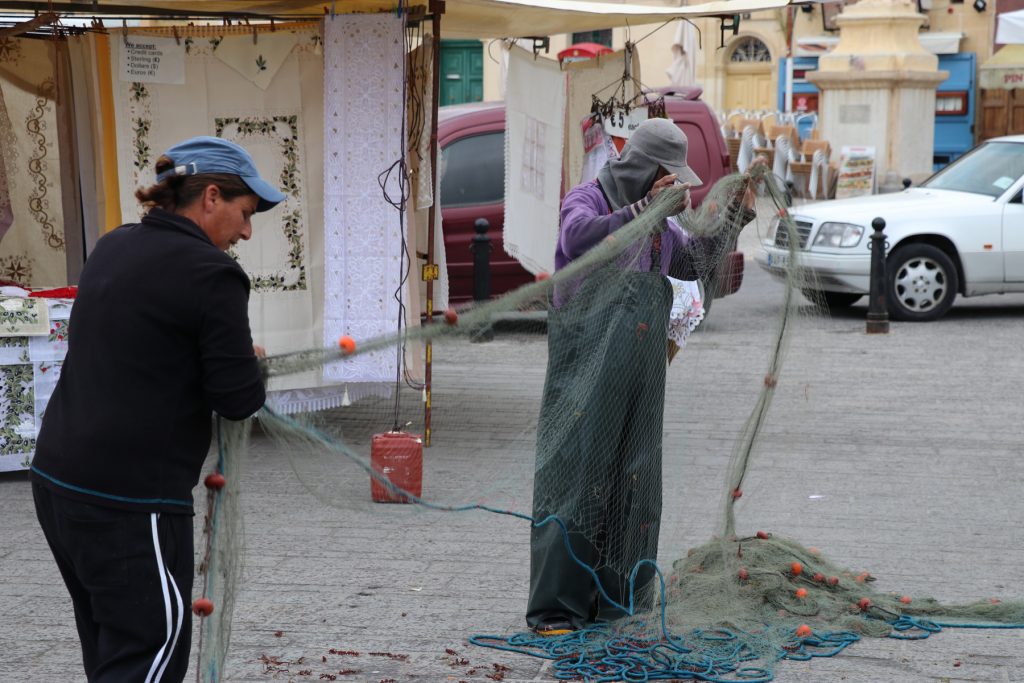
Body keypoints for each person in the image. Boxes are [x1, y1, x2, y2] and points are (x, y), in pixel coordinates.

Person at [30, 136, 284, 682]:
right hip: (128, 501)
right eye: (245, 214)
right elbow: (238, 399)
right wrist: (246, 362)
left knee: (110, 644)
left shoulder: (115, 243)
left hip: (56, 480)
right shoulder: (213, 275)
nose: (246, 231)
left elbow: (145, 344)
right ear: (210, 197)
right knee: (150, 649)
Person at [527, 118, 759, 635]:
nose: (673, 186)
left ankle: (618, 602)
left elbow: (695, 264)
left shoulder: (664, 231)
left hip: (639, 372)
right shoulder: (586, 199)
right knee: (576, 480)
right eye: (666, 175)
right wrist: (641, 211)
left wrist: (732, 222)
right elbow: (577, 237)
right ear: (643, 168)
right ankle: (556, 608)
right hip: (583, 375)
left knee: (632, 481)